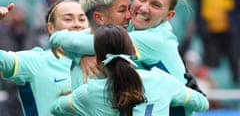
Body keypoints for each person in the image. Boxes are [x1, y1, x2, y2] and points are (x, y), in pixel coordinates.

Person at [50, 0, 205, 116]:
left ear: (168, 16)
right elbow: (88, 39)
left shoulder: (154, 39)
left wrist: (57, 37)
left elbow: (82, 43)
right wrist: (81, 56)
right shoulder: (135, 25)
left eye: (156, 5)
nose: (144, 8)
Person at [51, 24, 209, 116]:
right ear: (133, 53)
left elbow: (56, 108)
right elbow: (202, 104)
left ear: (98, 61)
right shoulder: (162, 80)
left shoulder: (88, 94)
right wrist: (188, 85)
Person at [0, 0, 89, 116]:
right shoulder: (36, 61)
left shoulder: (104, 63)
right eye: (68, 19)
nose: (77, 24)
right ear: (51, 28)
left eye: (82, 19)